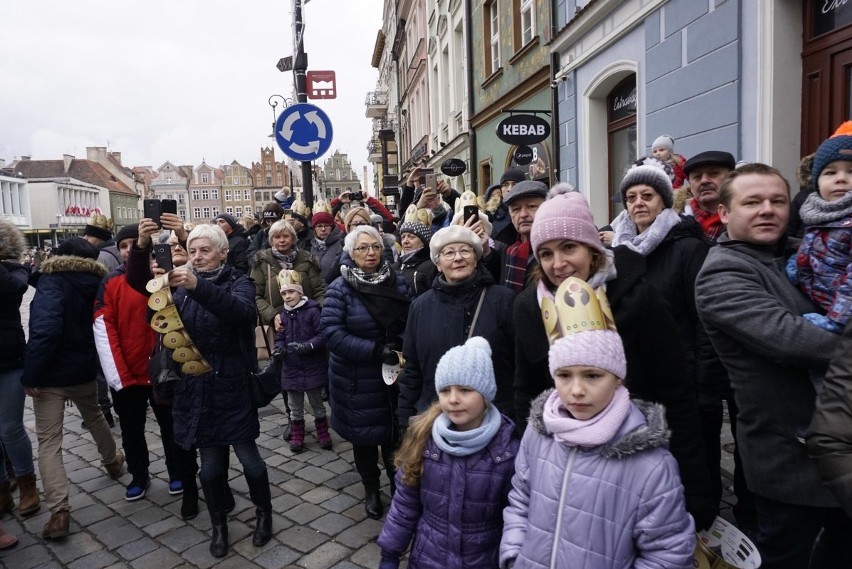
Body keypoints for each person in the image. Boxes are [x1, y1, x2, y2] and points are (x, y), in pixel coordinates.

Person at [514, 186, 717, 531]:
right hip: (563, 465)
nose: (558, 264)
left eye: (569, 247)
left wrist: (694, 490)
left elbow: (675, 393)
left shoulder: (638, 296)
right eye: (545, 253)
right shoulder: (528, 307)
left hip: (633, 461)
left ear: (592, 249)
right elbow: (525, 390)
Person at [695, 163, 852, 567]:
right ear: (726, 213)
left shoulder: (810, 251)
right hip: (793, 467)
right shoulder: (722, 273)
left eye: (777, 201)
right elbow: (793, 340)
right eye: (752, 202)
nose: (768, 209)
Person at [500, 279, 695, 568]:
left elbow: (667, 553)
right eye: (564, 375)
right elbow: (521, 499)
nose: (576, 390)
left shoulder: (651, 464)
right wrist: (514, 554)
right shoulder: (538, 434)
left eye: (592, 376)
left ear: (618, 378)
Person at [610, 160, 741, 526]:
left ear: (664, 201)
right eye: (631, 197)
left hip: (685, 379)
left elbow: (704, 320)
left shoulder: (686, 247)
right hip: (638, 379)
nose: (638, 203)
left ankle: (704, 529)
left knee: (695, 463)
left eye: (647, 196)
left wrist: (704, 383)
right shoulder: (619, 251)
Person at [165, 224, 272, 558]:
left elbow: (239, 314)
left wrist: (196, 286)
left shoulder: (239, 281)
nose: (197, 257)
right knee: (210, 467)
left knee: (249, 459)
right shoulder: (180, 287)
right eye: (193, 251)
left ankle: (264, 513)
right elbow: (161, 325)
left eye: (205, 251)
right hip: (196, 388)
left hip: (231, 384)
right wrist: (160, 291)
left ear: (223, 253)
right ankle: (219, 525)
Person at [377, 337, 520, 569]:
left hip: (483, 559)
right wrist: (389, 554)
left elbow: (516, 516)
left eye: (465, 390)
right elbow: (405, 504)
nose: (453, 399)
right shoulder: (424, 440)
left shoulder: (506, 452)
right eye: (445, 390)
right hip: (429, 558)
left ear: (485, 394)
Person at [21, 237, 125, 539]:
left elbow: (45, 330)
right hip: (83, 367)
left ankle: (59, 511)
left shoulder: (52, 283)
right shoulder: (99, 283)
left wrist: (32, 374)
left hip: (51, 375)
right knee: (94, 414)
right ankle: (113, 462)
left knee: (49, 440)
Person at [321, 226, 411, 520]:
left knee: (393, 436)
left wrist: (400, 348)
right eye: (362, 248)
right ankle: (371, 489)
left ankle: (397, 487)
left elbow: (411, 321)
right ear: (350, 253)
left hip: (393, 375)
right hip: (355, 379)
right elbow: (332, 334)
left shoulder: (398, 283)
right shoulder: (339, 288)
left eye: (375, 246)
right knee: (364, 439)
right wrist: (374, 351)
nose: (370, 253)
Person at [93, 223, 184, 503]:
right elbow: (104, 327)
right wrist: (118, 375)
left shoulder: (167, 276)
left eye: (137, 243)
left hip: (164, 367)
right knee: (132, 430)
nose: (131, 249)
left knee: (171, 426)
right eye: (125, 245)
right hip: (129, 370)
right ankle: (139, 474)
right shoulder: (111, 283)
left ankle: (177, 470)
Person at [398, 224, 516, 428]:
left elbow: (517, 365)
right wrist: (405, 415)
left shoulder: (503, 300)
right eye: (449, 253)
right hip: (436, 417)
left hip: (494, 418)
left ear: (476, 258)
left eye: (465, 250)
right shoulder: (420, 306)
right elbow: (412, 367)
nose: (458, 258)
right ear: (438, 264)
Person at [791, 122, 852, 336]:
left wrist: (836, 321)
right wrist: (797, 266)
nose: (841, 178)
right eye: (830, 172)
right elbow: (815, 245)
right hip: (822, 304)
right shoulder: (820, 214)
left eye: (851, 171)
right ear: (817, 181)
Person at [0, 219, 39, 518]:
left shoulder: (14, 269)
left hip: (10, 357)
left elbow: (15, 289)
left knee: (11, 428)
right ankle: (3, 488)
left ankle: (27, 484)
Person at [273, 269, 332, 453]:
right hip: (291, 367)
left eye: (291, 292)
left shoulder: (313, 311)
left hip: (312, 365)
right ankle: (298, 433)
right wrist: (279, 348)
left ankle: (323, 431)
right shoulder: (282, 315)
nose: (287, 296)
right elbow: (280, 337)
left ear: (300, 292)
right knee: (294, 405)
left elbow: (322, 335)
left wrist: (308, 346)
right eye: (284, 293)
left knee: (317, 403)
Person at [252, 219, 325, 328]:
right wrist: (272, 315)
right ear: (271, 240)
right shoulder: (262, 262)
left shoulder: (306, 259)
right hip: (276, 325)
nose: (282, 240)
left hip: (307, 323)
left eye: (286, 236)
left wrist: (319, 313)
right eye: (277, 237)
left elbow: (318, 292)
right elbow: (255, 295)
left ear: (293, 238)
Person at [492, 180, 548, 292]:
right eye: (516, 209)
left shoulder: (556, 250)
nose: (523, 215)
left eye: (532, 206)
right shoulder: (508, 250)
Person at [682, 150, 736, 244]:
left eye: (713, 173)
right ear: (690, 185)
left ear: (730, 179)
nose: (704, 181)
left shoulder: (749, 221)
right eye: (697, 176)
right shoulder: (674, 226)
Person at [393, 205, 435, 298]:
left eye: (411, 237)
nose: (405, 241)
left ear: (424, 241)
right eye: (403, 237)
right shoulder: (395, 266)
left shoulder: (432, 266)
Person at [309, 209, 344, 281]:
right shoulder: (313, 245)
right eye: (319, 226)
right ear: (314, 228)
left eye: (326, 225)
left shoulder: (341, 243)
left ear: (332, 227)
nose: (323, 229)